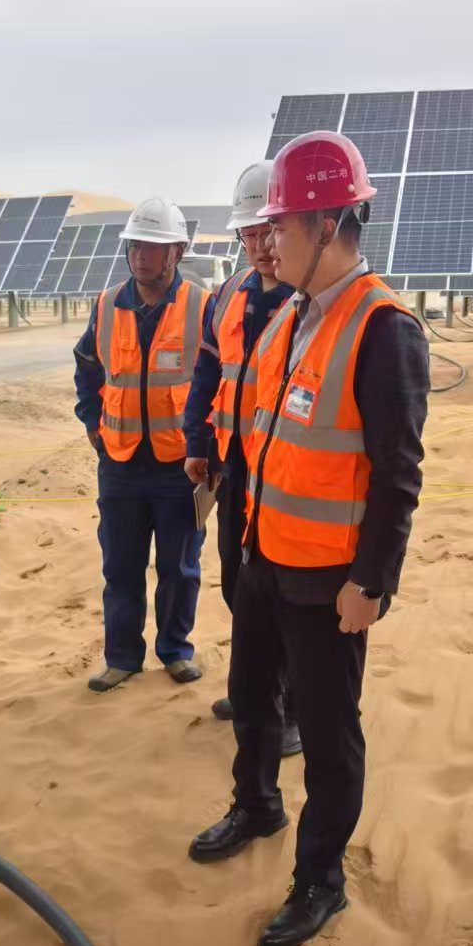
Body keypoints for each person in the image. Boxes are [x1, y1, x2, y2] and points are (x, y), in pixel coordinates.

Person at [187, 131, 429, 946]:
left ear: (327, 226)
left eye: (282, 226)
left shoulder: (383, 328)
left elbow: (397, 472)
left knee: (328, 733)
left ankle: (320, 878)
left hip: (330, 582)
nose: (268, 241)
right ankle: (256, 805)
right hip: (265, 557)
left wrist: (373, 582)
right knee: (252, 698)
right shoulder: (290, 315)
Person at [182, 160, 300, 757]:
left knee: (286, 595)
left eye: (268, 232)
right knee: (240, 585)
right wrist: (197, 444)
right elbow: (209, 374)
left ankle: (291, 708)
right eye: (248, 235)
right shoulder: (229, 295)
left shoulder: (313, 301)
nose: (259, 246)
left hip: (288, 479)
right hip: (234, 469)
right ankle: (255, 690)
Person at [73, 197, 211, 692]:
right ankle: (122, 657)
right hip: (121, 463)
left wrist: (204, 444)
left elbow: (216, 378)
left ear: (177, 251)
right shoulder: (107, 305)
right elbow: (87, 367)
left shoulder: (202, 306)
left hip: (181, 467)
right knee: (121, 567)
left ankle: (175, 651)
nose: (140, 256)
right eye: (134, 246)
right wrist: (93, 423)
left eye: (152, 247)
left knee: (180, 567)